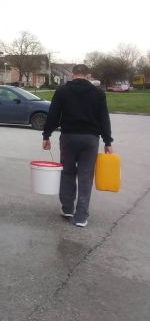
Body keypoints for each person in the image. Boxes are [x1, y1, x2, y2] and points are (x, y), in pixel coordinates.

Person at [42, 64, 113, 228]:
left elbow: (53, 114)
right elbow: (104, 118)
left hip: (68, 137)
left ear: (73, 74)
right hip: (90, 139)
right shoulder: (98, 93)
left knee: (67, 172)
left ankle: (67, 208)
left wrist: (46, 135)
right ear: (88, 75)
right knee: (85, 177)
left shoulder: (62, 91)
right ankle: (81, 217)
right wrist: (108, 141)